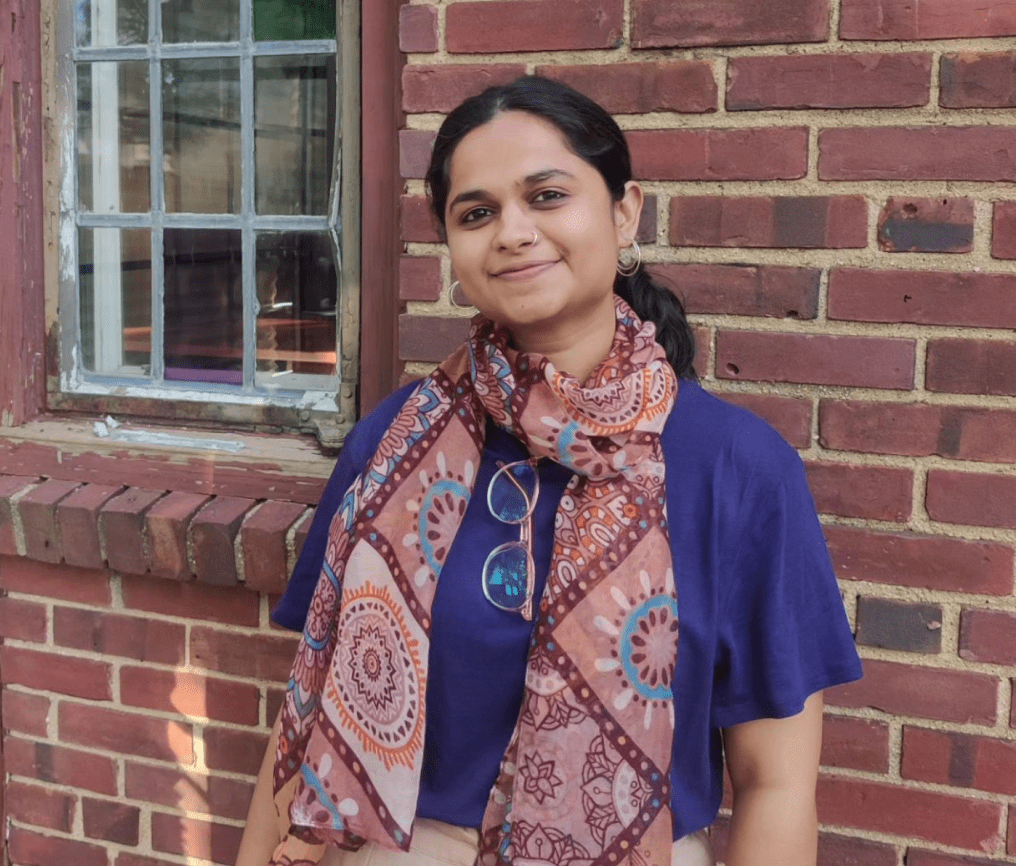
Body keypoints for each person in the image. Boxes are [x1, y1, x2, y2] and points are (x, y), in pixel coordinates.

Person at [236, 76, 862, 866]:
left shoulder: (736, 469)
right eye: (476, 213)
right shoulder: (390, 446)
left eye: (546, 195)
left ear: (624, 212)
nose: (512, 232)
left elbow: (776, 784)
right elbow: (308, 709)